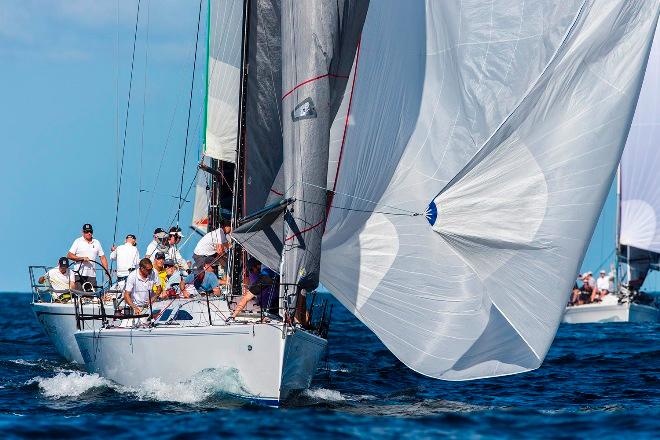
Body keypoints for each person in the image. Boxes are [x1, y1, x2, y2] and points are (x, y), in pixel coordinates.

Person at [226, 258, 274, 322]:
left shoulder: (263, 279)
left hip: (272, 307)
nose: (253, 272)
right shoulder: (271, 264)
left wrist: (233, 316)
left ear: (256, 266)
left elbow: (245, 299)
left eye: (251, 270)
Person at [67, 223, 109, 290]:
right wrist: (82, 258)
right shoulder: (78, 241)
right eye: (86, 231)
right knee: (79, 296)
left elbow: (102, 257)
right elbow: (69, 255)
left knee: (93, 297)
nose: (89, 233)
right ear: (82, 232)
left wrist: (106, 270)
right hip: (79, 274)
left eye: (90, 231)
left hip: (92, 275)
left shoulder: (96, 242)